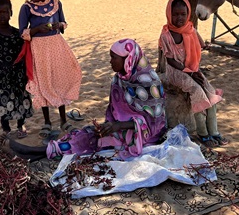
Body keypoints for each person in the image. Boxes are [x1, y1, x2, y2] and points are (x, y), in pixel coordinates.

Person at [9, 39, 167, 161]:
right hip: (123, 128)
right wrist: (108, 126)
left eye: (114, 58)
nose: (110, 61)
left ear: (129, 59)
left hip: (145, 135)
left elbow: (153, 121)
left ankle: (34, 152)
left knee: (90, 140)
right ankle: (38, 152)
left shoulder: (149, 83)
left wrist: (117, 126)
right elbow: (114, 112)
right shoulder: (119, 79)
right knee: (87, 133)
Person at [17, 0, 82, 141]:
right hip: (39, 51)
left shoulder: (56, 3)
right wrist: (37, 29)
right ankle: (47, 121)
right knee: (43, 82)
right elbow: (23, 32)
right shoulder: (26, 8)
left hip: (57, 47)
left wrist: (58, 25)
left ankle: (63, 120)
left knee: (59, 80)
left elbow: (64, 23)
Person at [159, 0, 229, 147]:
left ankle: (214, 131)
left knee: (210, 92)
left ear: (188, 14)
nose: (179, 18)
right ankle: (203, 134)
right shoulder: (166, 35)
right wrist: (189, 73)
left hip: (192, 69)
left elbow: (202, 45)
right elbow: (171, 61)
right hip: (176, 72)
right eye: (175, 14)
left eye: (183, 14)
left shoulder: (191, 29)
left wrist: (194, 70)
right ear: (169, 14)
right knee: (197, 91)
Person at [0, 0, 33, 143]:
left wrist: (26, 74)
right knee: (2, 101)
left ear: (11, 13)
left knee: (21, 99)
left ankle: (20, 125)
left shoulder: (19, 34)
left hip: (18, 74)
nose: (2, 15)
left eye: (5, 12)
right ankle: (5, 128)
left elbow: (24, 55)